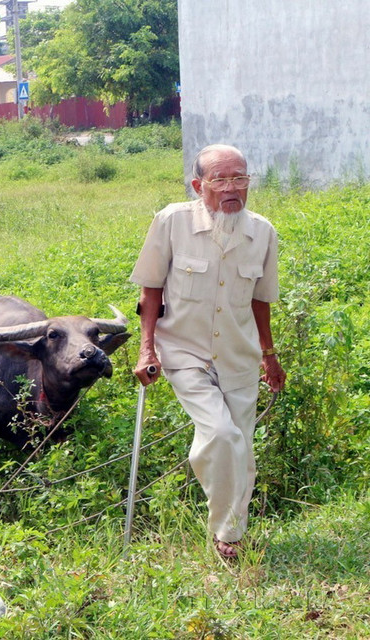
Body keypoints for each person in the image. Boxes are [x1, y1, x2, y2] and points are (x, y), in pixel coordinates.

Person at [130, 143, 286, 560]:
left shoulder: (263, 233)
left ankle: (230, 535)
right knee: (220, 434)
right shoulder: (172, 221)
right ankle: (226, 533)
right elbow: (151, 289)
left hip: (239, 355)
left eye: (240, 177)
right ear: (200, 185)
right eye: (220, 179)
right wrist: (148, 349)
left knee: (242, 449)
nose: (232, 188)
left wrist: (269, 356)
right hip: (183, 351)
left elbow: (260, 301)